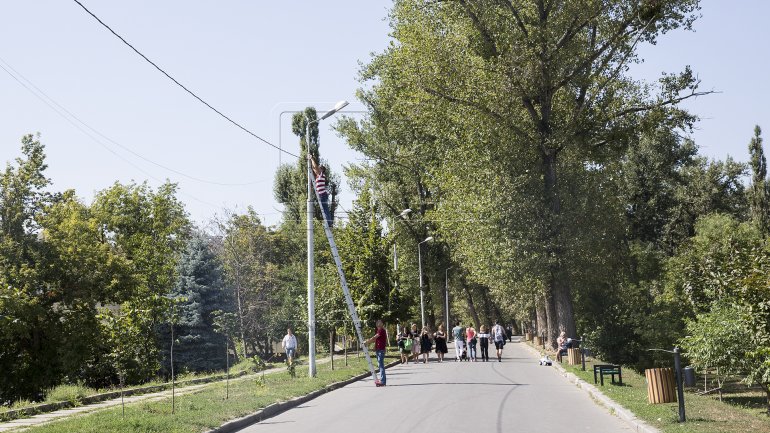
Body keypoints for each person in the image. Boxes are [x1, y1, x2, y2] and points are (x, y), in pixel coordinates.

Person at [310, 156, 333, 225]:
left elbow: (315, 167)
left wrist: (312, 158)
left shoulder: (321, 174)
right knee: (324, 208)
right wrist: (310, 161)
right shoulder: (319, 175)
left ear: (322, 170)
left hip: (322, 195)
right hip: (322, 194)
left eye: (320, 168)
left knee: (325, 209)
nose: (318, 169)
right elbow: (314, 168)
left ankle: (329, 222)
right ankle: (329, 222)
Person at [365, 320, 388, 386]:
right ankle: (382, 381)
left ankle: (383, 381)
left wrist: (367, 342)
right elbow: (376, 340)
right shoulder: (378, 330)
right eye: (377, 323)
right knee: (380, 365)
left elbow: (374, 337)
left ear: (382, 324)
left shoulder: (381, 330)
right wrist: (374, 347)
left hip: (381, 350)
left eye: (379, 323)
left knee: (381, 365)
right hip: (379, 349)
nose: (378, 324)